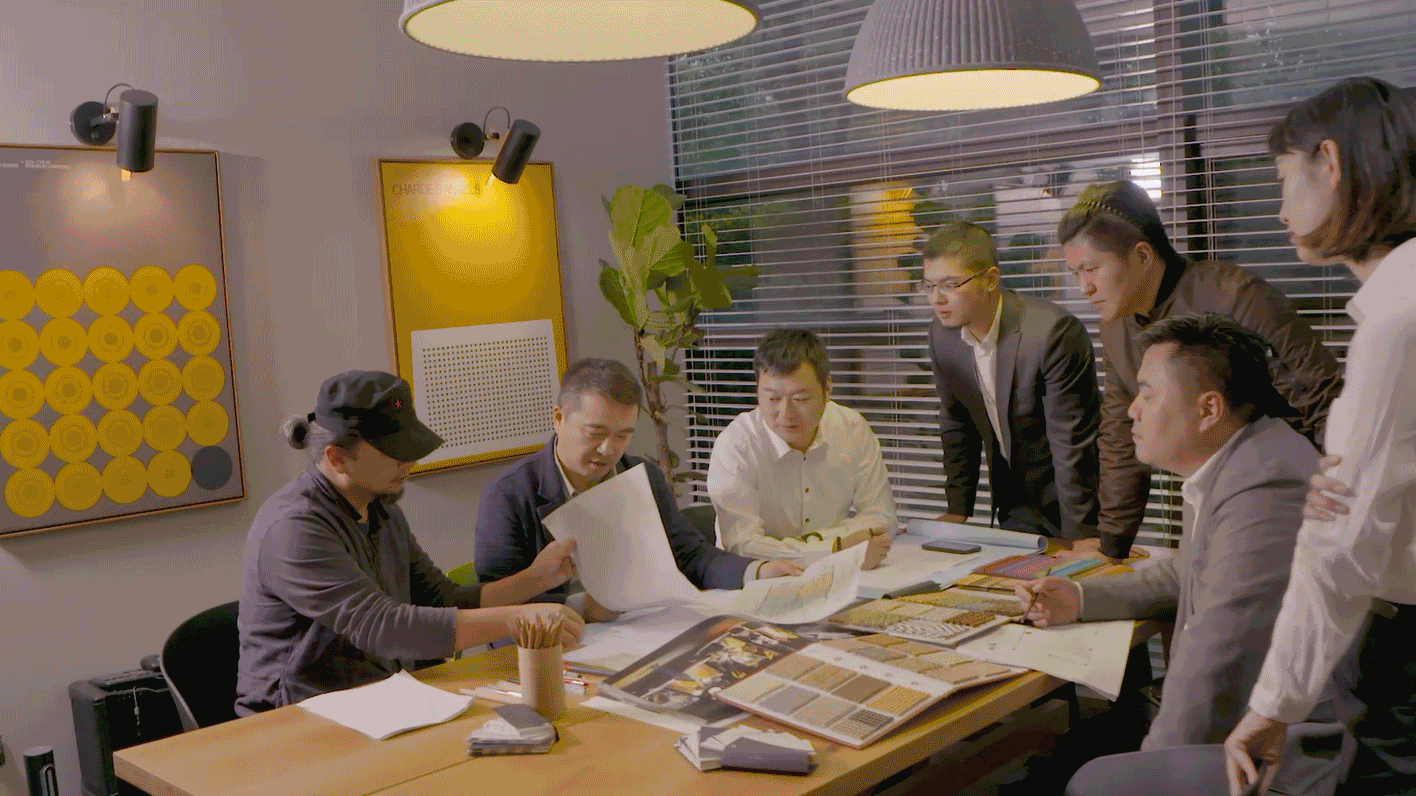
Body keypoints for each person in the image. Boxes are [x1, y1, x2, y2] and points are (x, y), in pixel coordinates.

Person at [1019, 314, 1346, 796]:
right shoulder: (1243, 458)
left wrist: (1153, 771)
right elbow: (1190, 571)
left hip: (1293, 746)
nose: (1131, 411)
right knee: (1066, 753)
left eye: (1147, 394)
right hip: (1253, 718)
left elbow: (1219, 651)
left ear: (1209, 409)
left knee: (1087, 777)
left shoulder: (1264, 485)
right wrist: (1081, 598)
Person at [1223, 76, 1416, 796]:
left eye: (1282, 179)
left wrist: (1272, 706)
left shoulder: (1398, 322)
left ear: (1330, 163)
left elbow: (1342, 543)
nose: (1277, 210)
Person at [236, 371, 583, 715]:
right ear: (337, 458)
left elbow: (443, 599)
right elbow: (383, 627)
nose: (411, 462)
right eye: (395, 452)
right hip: (295, 720)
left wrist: (535, 580)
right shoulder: (293, 528)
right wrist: (520, 620)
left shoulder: (381, 509)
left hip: (380, 701)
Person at [1059, 180, 1343, 562]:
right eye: (1075, 274)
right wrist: (1112, 545)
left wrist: (1339, 504)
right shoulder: (1116, 326)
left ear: (1142, 255)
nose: (1085, 288)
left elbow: (1323, 396)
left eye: (1091, 269)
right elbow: (1121, 433)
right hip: (1212, 501)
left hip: (1284, 498)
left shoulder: (1235, 296)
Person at [477, 358, 802, 621]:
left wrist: (757, 571)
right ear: (559, 418)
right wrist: (581, 608)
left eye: (623, 435)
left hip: (642, 627)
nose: (608, 449)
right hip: (552, 644)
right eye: (595, 433)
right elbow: (494, 606)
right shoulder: (508, 495)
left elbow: (690, 555)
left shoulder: (642, 475)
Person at [919, 221, 1101, 543]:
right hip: (1016, 506)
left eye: (950, 285)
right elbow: (956, 423)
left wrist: (1081, 536)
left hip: (1077, 503)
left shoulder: (1052, 333)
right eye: (929, 285)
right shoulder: (943, 336)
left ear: (990, 279)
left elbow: (1072, 446)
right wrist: (958, 509)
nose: (936, 299)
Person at [707, 328, 896, 568]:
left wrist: (818, 549)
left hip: (837, 577)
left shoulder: (851, 428)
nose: (785, 414)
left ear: (827, 389)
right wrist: (835, 549)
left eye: (800, 399)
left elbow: (881, 518)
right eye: (773, 398)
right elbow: (742, 546)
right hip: (760, 580)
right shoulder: (737, 445)